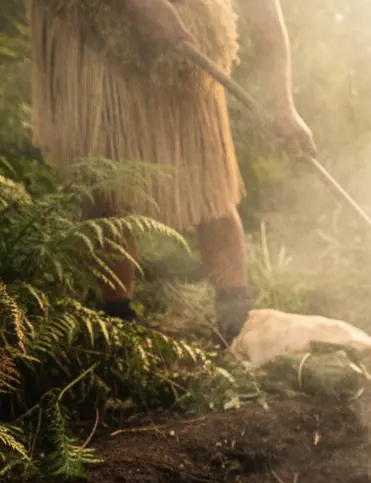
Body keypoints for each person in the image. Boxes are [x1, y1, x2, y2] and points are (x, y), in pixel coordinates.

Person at [30, 0, 315, 341]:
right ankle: (115, 327)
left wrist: (283, 107)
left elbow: (263, 12)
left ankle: (237, 319)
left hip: (186, 14)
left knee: (211, 180)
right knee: (109, 175)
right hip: (93, 17)